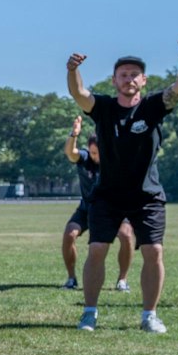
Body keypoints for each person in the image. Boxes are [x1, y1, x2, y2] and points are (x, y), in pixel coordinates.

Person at [67, 41, 178, 333]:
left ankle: (149, 316)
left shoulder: (152, 106)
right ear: (114, 80)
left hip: (147, 195)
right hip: (107, 195)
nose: (129, 78)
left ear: (143, 80)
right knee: (98, 249)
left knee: (153, 251)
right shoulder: (103, 108)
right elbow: (79, 93)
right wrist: (73, 70)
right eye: (123, 74)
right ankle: (89, 313)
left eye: (134, 74)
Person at [61, 115, 133, 292]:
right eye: (93, 152)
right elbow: (71, 153)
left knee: (126, 236)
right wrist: (74, 135)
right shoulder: (85, 158)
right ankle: (71, 279)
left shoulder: (115, 161)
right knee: (70, 234)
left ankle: (122, 280)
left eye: (99, 153)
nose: (96, 157)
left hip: (114, 209)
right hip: (87, 208)